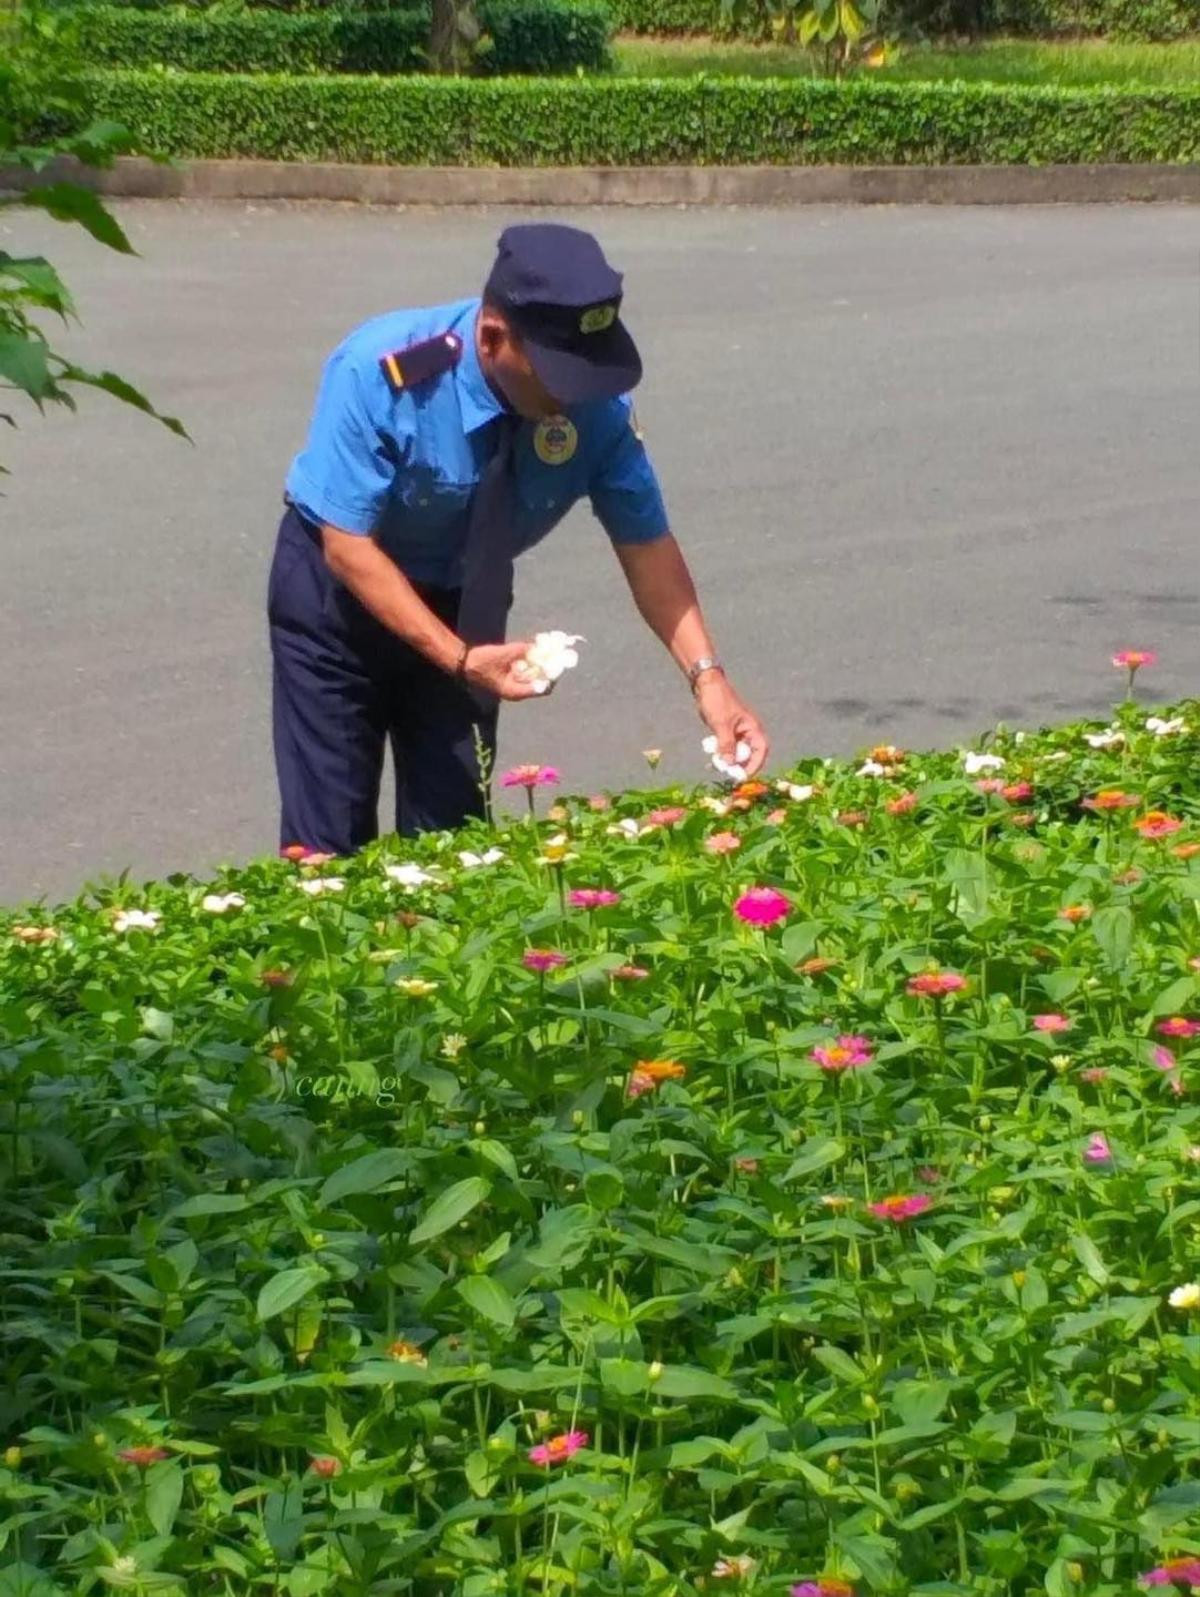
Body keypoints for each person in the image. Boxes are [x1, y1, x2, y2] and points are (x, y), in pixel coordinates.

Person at [268, 221, 768, 854]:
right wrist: (454, 656)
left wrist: (710, 681)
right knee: (327, 853)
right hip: (338, 602)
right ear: (492, 335)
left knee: (454, 846)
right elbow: (346, 545)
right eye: (555, 375)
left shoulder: (595, 411)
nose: (571, 400)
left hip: (466, 599)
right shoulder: (382, 371)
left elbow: (647, 548)